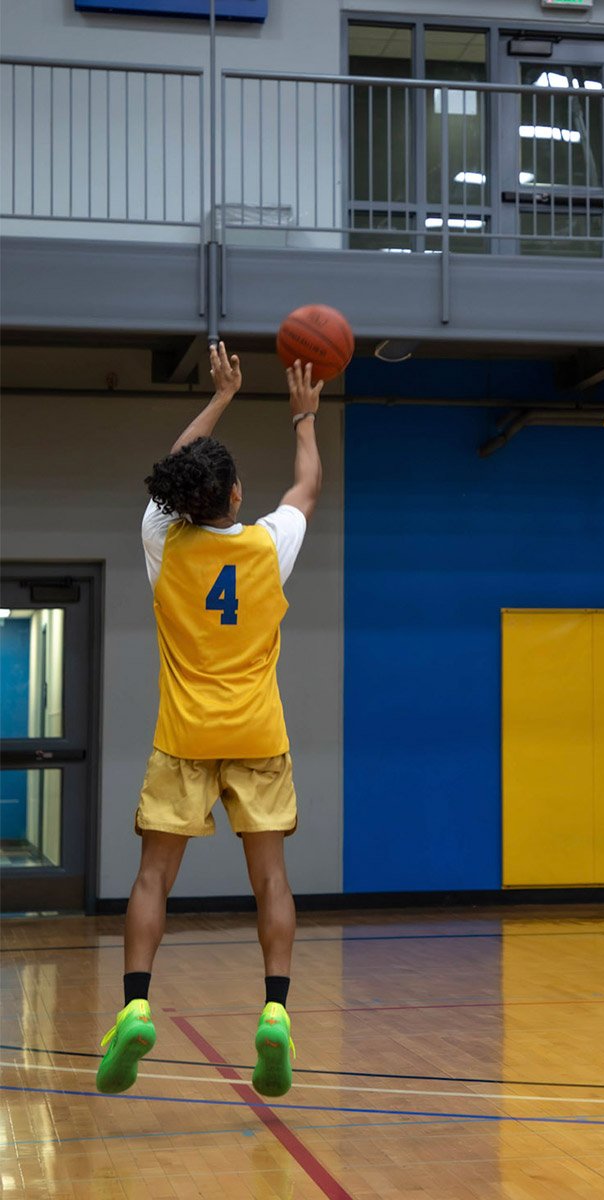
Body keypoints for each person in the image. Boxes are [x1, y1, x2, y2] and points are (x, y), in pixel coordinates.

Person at [96, 342, 323, 1098]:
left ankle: (135, 1006)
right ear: (233, 495)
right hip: (258, 735)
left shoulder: (163, 543)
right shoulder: (268, 545)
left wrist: (221, 396)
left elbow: (173, 465)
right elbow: (307, 486)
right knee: (271, 880)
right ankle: (276, 1013)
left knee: (152, 878)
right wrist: (303, 415)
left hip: (185, 737)